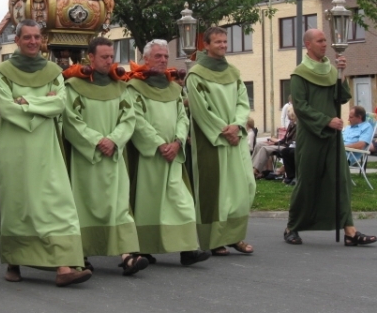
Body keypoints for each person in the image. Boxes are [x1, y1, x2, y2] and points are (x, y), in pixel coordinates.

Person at [0, 19, 91, 287]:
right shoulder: (2, 71)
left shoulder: (53, 71)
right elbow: (5, 107)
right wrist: (41, 107)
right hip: (15, 146)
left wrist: (27, 103)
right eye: (28, 38)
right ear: (18, 39)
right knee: (19, 201)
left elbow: (60, 103)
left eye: (37, 37)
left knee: (55, 201)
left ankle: (64, 265)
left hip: (46, 144)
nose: (33, 42)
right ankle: (14, 261)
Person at [63, 37, 148, 276]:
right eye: (104, 57)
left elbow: (129, 119)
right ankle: (82, 255)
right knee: (85, 206)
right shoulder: (73, 87)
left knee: (119, 205)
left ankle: (128, 255)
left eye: (112, 57)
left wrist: (114, 140)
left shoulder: (121, 87)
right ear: (90, 57)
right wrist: (96, 140)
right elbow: (70, 120)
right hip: (86, 159)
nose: (109, 61)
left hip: (113, 157)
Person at [284, 29, 376, 247]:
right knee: (307, 181)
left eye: (326, 40)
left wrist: (342, 74)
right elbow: (301, 107)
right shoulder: (299, 74)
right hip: (312, 134)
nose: (325, 44)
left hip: (333, 136)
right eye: (320, 41)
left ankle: (350, 231)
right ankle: (292, 227)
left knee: (340, 180)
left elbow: (341, 98)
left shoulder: (331, 70)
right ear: (308, 44)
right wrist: (326, 120)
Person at [127, 39, 211, 266]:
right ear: (146, 59)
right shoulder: (134, 87)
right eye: (158, 56)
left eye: (165, 56)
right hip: (149, 155)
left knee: (181, 201)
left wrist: (177, 142)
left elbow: (183, 117)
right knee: (149, 204)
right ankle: (144, 248)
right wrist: (158, 144)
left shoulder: (174, 88)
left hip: (173, 154)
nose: (163, 60)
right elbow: (136, 118)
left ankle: (188, 249)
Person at [186, 27, 256, 256]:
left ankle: (235, 236)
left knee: (241, 188)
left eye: (225, 41)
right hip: (212, 141)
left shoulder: (234, 72)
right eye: (218, 42)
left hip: (234, 137)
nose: (223, 45)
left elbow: (243, 102)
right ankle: (213, 240)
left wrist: (237, 125)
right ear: (206, 45)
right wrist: (223, 130)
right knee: (215, 191)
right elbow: (200, 109)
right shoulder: (196, 74)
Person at [251, 107, 297, 179]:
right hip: (283, 144)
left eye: (291, 117)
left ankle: (254, 171)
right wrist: (274, 142)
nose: (289, 119)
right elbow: (285, 139)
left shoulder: (298, 126)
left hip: (287, 147)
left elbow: (291, 142)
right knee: (259, 144)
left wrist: (276, 143)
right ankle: (254, 168)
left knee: (264, 149)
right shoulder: (291, 124)